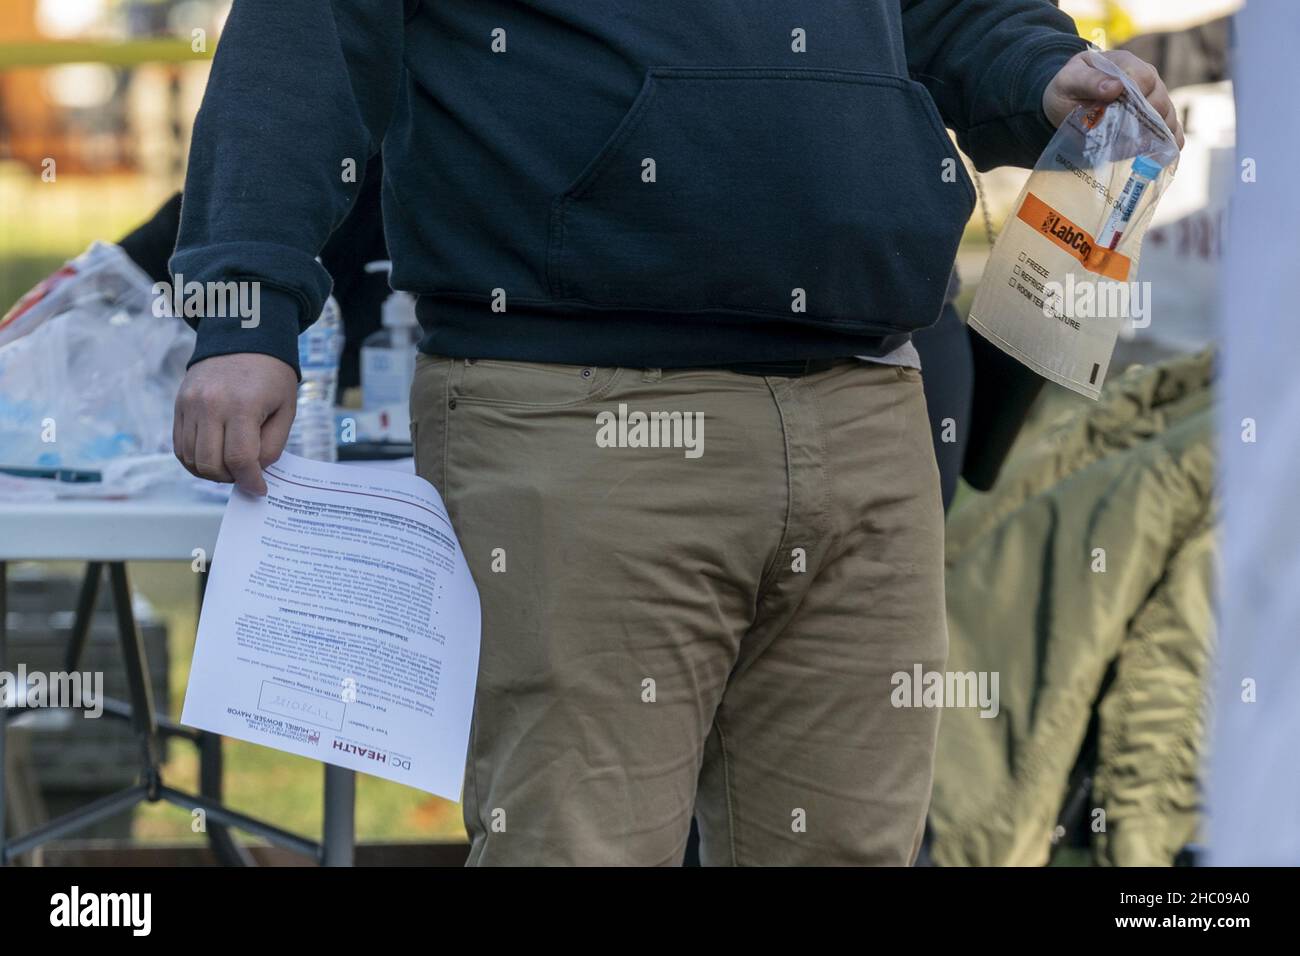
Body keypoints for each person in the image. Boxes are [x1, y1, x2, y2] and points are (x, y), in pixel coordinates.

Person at [171, 1, 1182, 866]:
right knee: (578, 846)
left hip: (870, 397)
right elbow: (304, 33)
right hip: (575, 404)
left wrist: (1043, 68)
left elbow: (956, 13)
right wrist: (244, 306)